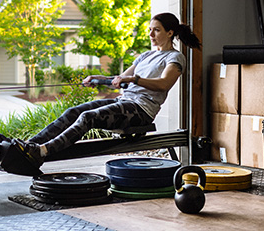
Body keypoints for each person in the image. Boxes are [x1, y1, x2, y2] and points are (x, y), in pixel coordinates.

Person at [15, 12, 201, 168]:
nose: (151, 34)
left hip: (141, 110)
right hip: (124, 102)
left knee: (88, 118)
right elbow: (120, 79)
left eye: (157, 30)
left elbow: (164, 84)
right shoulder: (146, 55)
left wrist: (134, 79)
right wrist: (98, 79)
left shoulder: (175, 57)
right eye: (150, 30)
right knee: (74, 112)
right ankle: (26, 146)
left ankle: (42, 151)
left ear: (170, 33)